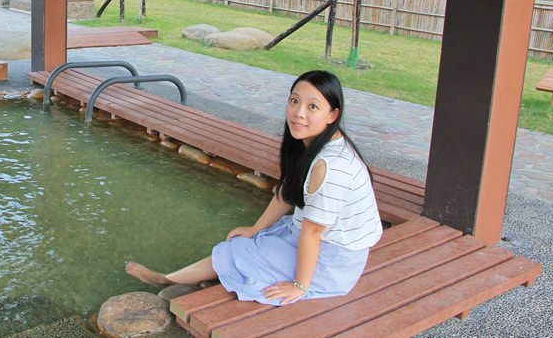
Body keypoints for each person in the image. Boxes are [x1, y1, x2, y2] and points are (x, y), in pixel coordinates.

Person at [125, 70, 382, 305]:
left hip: (332, 263)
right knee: (250, 239)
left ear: (333, 115)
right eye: (294, 101)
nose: (299, 113)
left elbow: (313, 233)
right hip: (310, 236)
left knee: (237, 250)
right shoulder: (311, 143)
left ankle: (166, 279)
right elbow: (287, 191)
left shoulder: (331, 167)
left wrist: (299, 286)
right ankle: (178, 277)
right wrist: (256, 228)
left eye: (312, 106)